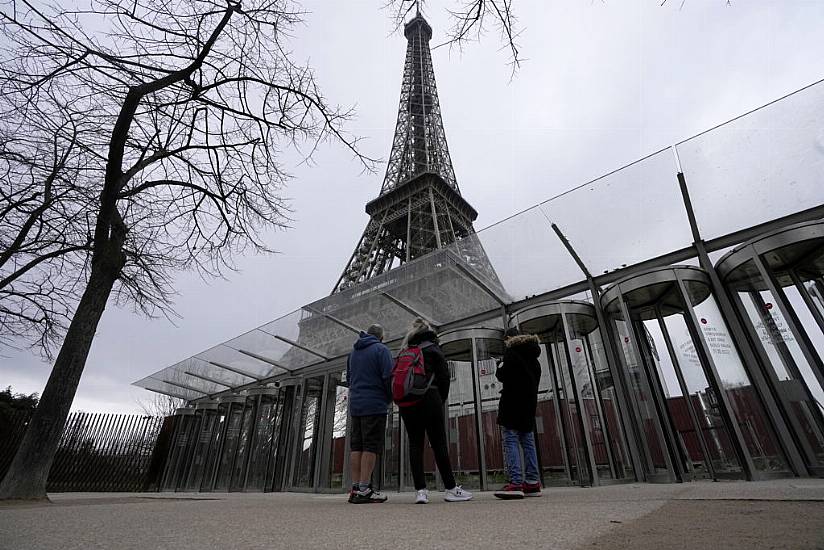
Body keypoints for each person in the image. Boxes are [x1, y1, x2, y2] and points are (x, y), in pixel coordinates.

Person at [398, 318, 473, 504]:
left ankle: (421, 491)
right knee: (439, 443)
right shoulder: (433, 348)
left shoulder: (405, 350)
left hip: (408, 403)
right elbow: (444, 378)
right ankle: (450, 488)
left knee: (415, 445)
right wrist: (441, 399)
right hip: (430, 398)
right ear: (429, 332)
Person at [493, 326, 543, 500]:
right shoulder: (534, 358)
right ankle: (532, 482)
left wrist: (499, 365)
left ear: (508, 339)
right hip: (529, 405)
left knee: (511, 440)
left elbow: (502, 375)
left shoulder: (512, 354)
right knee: (528, 442)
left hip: (512, 404)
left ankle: (515, 483)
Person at [346, 324, 393, 504]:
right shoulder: (381, 350)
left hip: (356, 405)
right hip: (374, 404)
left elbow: (349, 379)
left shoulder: (353, 353)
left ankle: (356, 487)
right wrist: (389, 398)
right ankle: (365, 489)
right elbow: (388, 377)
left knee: (356, 446)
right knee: (371, 446)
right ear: (381, 336)